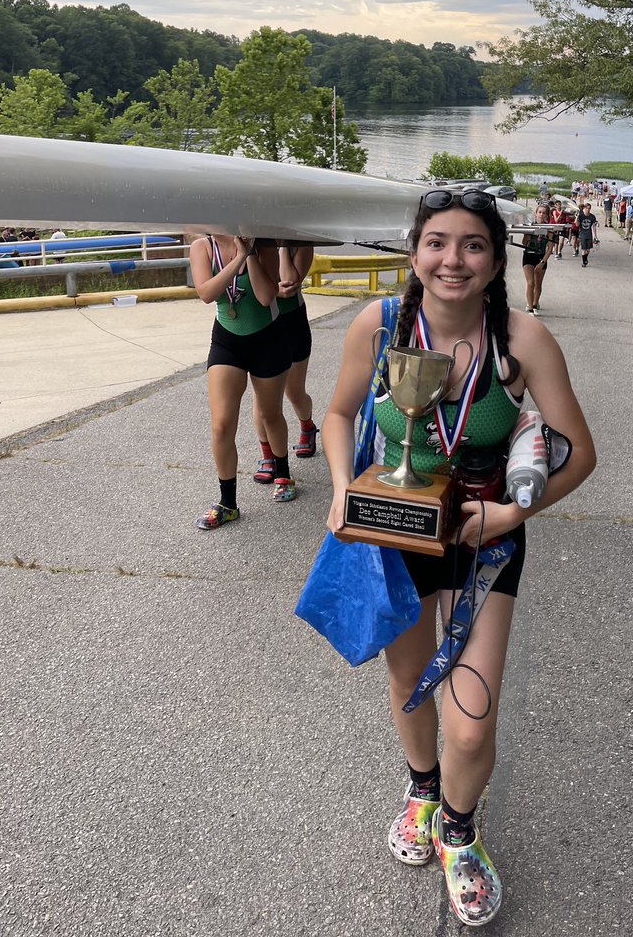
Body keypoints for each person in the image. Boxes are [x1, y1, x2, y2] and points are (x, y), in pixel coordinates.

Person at [322, 188, 595, 928]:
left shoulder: (522, 338)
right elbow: (340, 414)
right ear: (414, 252)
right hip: (397, 530)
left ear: (494, 258)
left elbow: (579, 455)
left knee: (471, 723)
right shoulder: (379, 326)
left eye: (472, 244)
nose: (453, 259)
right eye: (438, 242)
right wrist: (345, 490)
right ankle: (421, 788)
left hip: (485, 541)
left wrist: (509, 511)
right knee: (410, 678)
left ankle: (460, 830)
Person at [189, 233, 296, 529]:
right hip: (227, 340)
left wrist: (248, 253)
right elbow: (206, 293)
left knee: (269, 413)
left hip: (268, 339)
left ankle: (283, 472)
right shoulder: (202, 247)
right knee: (221, 423)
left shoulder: (264, 245)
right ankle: (228, 502)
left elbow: (265, 296)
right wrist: (236, 257)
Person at [252, 244, 318, 483]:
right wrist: (271, 291)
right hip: (263, 322)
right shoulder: (256, 242)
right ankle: (268, 456)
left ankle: (307, 426)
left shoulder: (302, 245)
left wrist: (282, 247)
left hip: (293, 323)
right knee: (262, 398)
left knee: (294, 392)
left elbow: (289, 284)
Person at [521, 204, 554, 313]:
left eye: (544, 213)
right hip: (529, 255)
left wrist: (542, 262)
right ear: (536, 213)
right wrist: (528, 233)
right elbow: (524, 243)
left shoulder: (549, 229)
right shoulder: (530, 225)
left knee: (538, 283)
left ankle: (535, 304)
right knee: (530, 282)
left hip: (541, 256)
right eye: (540, 212)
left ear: (547, 215)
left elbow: (550, 248)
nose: (541, 214)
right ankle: (530, 307)